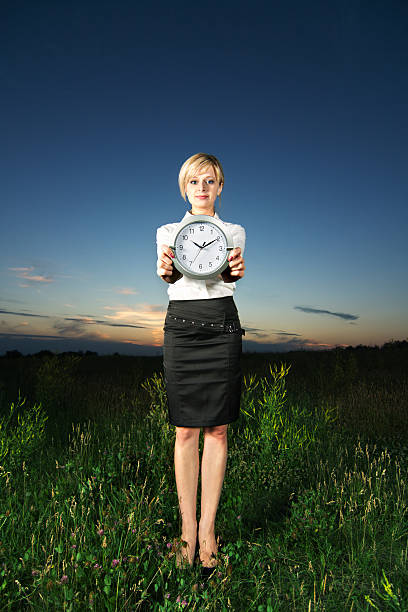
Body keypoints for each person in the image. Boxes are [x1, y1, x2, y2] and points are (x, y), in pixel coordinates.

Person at [156, 153, 246, 577]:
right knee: (185, 430)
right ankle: (186, 531)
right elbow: (173, 277)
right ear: (185, 188)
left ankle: (208, 532)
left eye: (210, 181)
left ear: (220, 187)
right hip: (182, 329)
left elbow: (225, 276)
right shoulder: (167, 232)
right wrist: (166, 271)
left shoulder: (233, 232)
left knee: (218, 429)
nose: (203, 188)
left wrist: (236, 270)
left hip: (222, 325)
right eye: (195, 181)